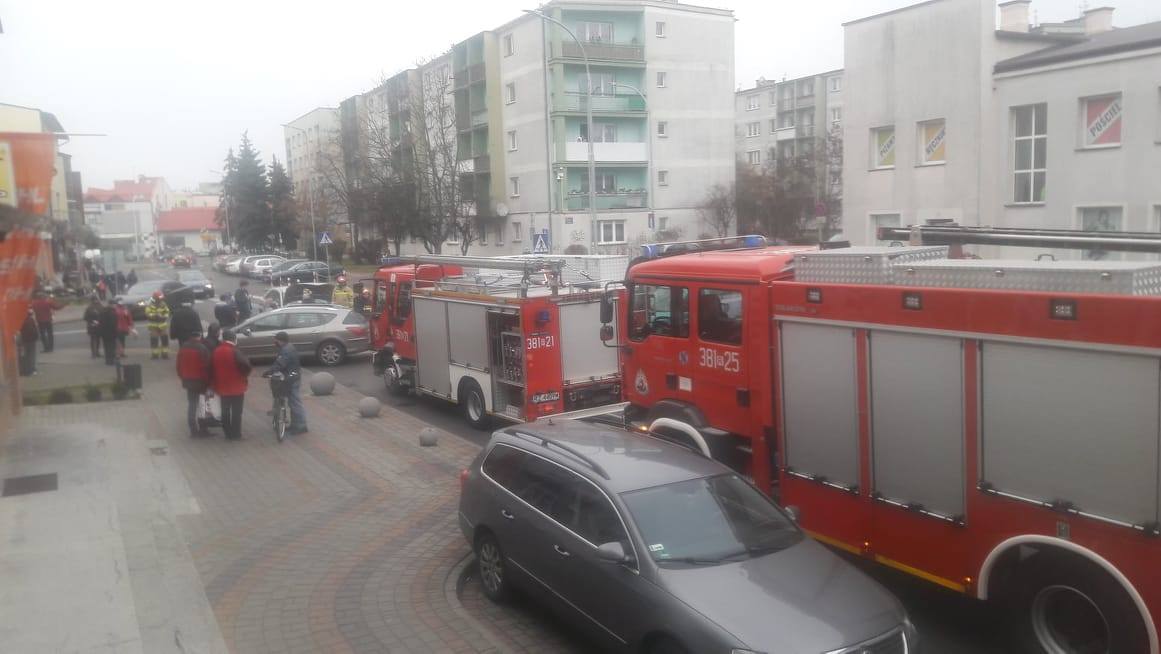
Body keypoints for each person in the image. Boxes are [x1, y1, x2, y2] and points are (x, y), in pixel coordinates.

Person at [212, 329, 252, 440]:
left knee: (225, 411)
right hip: (236, 386)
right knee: (236, 412)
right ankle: (236, 434)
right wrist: (244, 375)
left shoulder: (216, 351)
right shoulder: (235, 351)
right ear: (234, 338)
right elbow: (246, 365)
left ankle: (228, 433)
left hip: (222, 386)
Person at [269, 331, 307, 434]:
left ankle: (301, 425)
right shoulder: (288, 347)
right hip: (293, 376)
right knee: (292, 401)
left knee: (294, 402)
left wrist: (269, 371)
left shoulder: (286, 350)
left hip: (291, 378)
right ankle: (296, 424)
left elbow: (280, 363)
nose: (274, 342)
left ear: (280, 341)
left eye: (276, 340)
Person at [176, 333, 213, 438]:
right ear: (199, 337)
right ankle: (203, 429)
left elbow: (178, 366)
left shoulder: (183, 347)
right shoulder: (202, 348)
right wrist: (208, 382)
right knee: (203, 405)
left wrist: (183, 377)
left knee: (192, 405)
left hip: (188, 381)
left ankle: (193, 430)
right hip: (201, 382)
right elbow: (206, 367)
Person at [145, 291, 171, 359]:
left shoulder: (163, 304)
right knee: (154, 340)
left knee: (164, 339)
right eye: (160, 298)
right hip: (153, 326)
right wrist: (154, 315)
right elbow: (147, 313)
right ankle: (155, 354)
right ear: (156, 298)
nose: (161, 299)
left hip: (162, 325)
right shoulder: (150, 305)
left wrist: (164, 316)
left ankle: (165, 354)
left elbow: (167, 312)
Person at [98, 299, 120, 365]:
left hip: (104, 333)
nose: (115, 306)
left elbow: (100, 322)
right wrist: (116, 332)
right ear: (111, 305)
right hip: (111, 333)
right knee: (111, 347)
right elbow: (113, 324)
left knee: (107, 347)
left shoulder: (103, 311)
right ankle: (111, 361)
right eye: (114, 304)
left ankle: (108, 361)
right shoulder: (111, 312)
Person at [18, 310, 38, 376]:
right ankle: (31, 370)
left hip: (23, 340)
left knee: (23, 356)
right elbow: (35, 330)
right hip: (31, 340)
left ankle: (23, 371)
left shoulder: (19, 320)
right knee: (31, 355)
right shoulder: (30, 320)